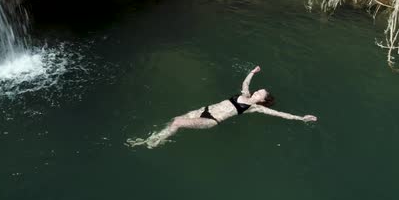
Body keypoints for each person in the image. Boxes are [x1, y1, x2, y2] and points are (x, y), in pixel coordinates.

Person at [126, 66, 317, 148]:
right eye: (258, 90)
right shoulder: (245, 94)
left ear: (262, 100)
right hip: (204, 109)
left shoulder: (255, 108)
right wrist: (252, 72)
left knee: (177, 122)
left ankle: (153, 143)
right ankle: (155, 138)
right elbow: (245, 83)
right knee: (175, 118)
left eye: (260, 93)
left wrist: (300, 118)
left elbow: (280, 114)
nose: (257, 92)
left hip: (211, 120)